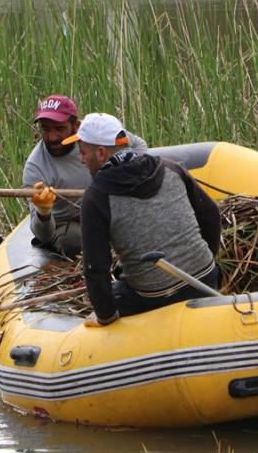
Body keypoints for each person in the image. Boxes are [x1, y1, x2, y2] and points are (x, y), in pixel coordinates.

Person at [63, 113, 221, 327]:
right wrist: (204, 260)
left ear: (101, 153)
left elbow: (96, 269)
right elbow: (211, 216)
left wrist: (105, 317)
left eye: (83, 153)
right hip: (207, 279)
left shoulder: (97, 196)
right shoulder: (171, 168)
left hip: (153, 296)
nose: (81, 160)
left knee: (116, 289)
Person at [22, 95, 145, 257]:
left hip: (109, 207)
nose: (51, 137)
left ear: (77, 126)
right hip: (72, 223)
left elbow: (139, 147)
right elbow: (43, 235)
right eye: (46, 129)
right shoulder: (35, 168)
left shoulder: (96, 131)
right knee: (76, 241)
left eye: (59, 129)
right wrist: (43, 212)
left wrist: (122, 176)